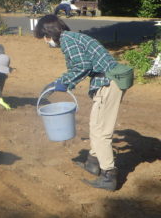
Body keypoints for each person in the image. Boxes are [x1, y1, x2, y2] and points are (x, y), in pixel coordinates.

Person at [34, 15, 127, 191]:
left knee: (101, 132)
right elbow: (81, 65)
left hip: (109, 83)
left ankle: (108, 175)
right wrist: (60, 81)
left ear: (49, 33)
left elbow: (82, 65)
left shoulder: (67, 40)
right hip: (106, 82)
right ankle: (93, 162)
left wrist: (60, 83)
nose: (46, 42)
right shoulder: (71, 38)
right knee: (95, 125)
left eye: (44, 37)